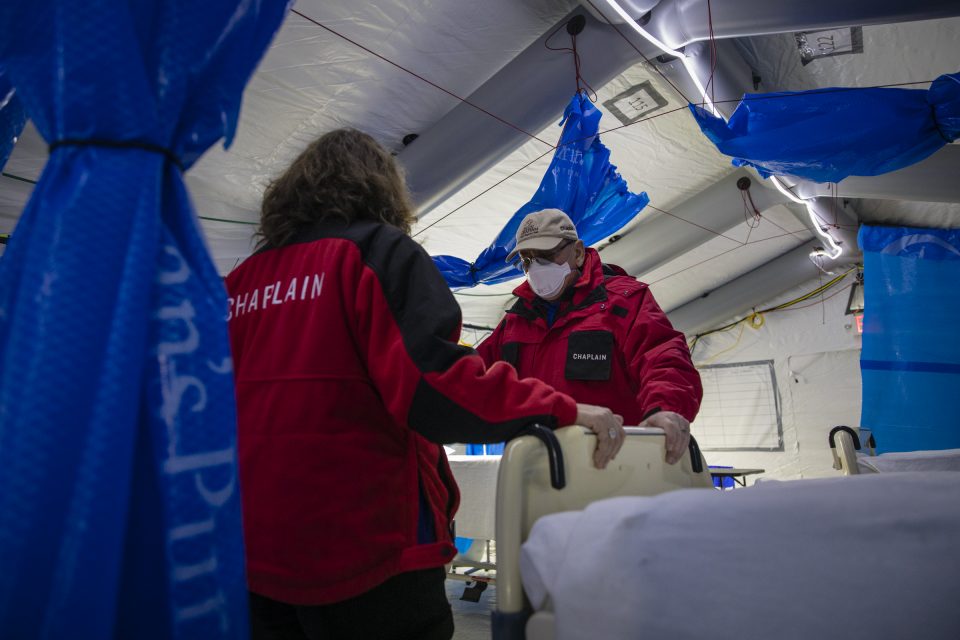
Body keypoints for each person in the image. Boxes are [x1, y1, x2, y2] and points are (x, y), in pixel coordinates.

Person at [224, 129, 624, 640]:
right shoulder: (374, 254)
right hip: (365, 547)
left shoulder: (241, 282)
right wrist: (561, 409)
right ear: (381, 189)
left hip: (254, 550)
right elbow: (437, 385)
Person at [476, 208, 702, 466]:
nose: (536, 268)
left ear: (579, 252)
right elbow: (472, 376)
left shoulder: (622, 302)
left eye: (546, 256)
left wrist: (666, 409)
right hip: (539, 468)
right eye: (527, 261)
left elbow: (662, 357)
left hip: (613, 465)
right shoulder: (515, 322)